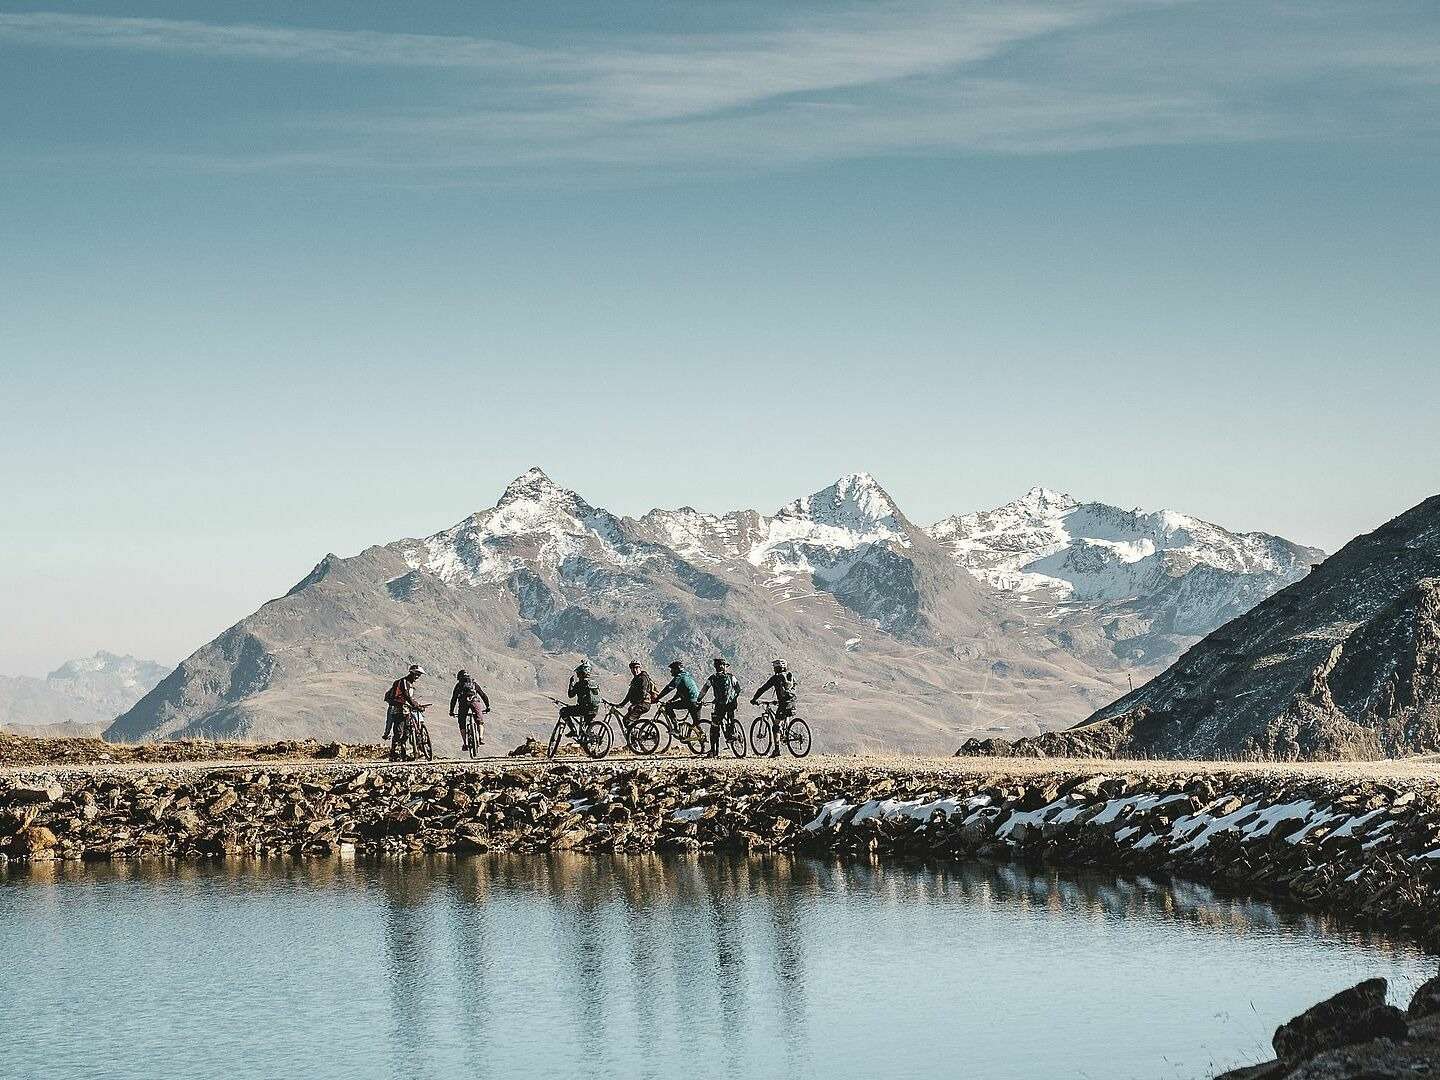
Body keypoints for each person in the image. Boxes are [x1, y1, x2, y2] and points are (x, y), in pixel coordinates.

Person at [750, 659, 798, 758]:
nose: (774, 669)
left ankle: (777, 750)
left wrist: (754, 699)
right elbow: (793, 688)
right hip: (792, 702)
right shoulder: (790, 676)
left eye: (775, 667)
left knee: (776, 726)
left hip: (783, 704)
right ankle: (787, 733)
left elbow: (763, 688)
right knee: (785, 717)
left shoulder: (776, 678)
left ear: (777, 668)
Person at [696, 658, 742, 758]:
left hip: (719, 705)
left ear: (715, 667)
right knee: (730, 719)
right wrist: (732, 698)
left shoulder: (712, 678)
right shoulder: (732, 677)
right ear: (724, 667)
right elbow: (738, 689)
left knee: (714, 727)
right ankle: (732, 733)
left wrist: (698, 699)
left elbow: (704, 689)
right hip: (731, 704)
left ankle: (714, 751)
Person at [384, 664, 427, 751]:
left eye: (419, 675)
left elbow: (410, 698)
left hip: (406, 709)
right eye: (417, 674)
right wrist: (415, 705)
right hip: (398, 708)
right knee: (399, 731)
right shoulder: (403, 682)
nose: (418, 677)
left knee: (407, 731)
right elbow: (406, 695)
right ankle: (393, 753)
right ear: (412, 673)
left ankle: (403, 753)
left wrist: (417, 705)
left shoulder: (409, 684)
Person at [654, 660, 702, 731]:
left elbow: (669, 688)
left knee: (668, 706)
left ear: (677, 669)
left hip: (690, 702)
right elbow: (680, 692)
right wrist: (672, 700)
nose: (671, 671)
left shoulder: (679, 677)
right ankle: (702, 737)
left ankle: (676, 728)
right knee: (696, 723)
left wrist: (657, 698)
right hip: (697, 702)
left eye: (672, 669)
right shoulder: (687, 676)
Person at [449, 669, 491, 750]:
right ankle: (481, 737)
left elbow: (453, 699)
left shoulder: (458, 685)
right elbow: (483, 695)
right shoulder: (474, 684)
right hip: (475, 702)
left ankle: (465, 744)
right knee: (480, 721)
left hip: (463, 704)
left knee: (462, 723)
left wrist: (451, 711)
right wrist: (487, 706)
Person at [560, 660, 601, 738]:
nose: (578, 676)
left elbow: (570, 695)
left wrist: (571, 683)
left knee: (563, 711)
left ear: (581, 673)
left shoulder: (579, 684)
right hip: (595, 709)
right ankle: (592, 739)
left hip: (583, 709)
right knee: (587, 727)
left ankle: (573, 731)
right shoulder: (594, 683)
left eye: (578, 674)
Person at [616, 660, 656, 725]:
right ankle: (633, 733)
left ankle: (634, 734)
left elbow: (643, 693)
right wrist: (621, 704)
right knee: (625, 720)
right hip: (638, 704)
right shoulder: (635, 679)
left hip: (643, 704)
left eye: (636, 668)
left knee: (628, 720)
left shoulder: (643, 678)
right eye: (632, 668)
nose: (634, 670)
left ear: (640, 668)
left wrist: (635, 704)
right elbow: (629, 694)